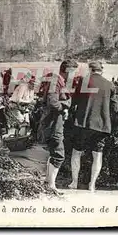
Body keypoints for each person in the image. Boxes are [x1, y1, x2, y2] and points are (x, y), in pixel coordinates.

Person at [68, 62, 118, 191]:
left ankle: (74, 182)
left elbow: (74, 101)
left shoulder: (84, 81)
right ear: (101, 71)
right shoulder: (109, 84)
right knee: (97, 155)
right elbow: (115, 107)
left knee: (76, 152)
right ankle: (92, 185)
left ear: (90, 69)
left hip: (83, 123)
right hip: (102, 125)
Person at [38, 59, 78, 191]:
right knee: (59, 153)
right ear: (67, 70)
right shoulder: (56, 81)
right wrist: (65, 107)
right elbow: (52, 102)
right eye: (73, 71)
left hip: (52, 120)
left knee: (53, 151)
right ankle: (51, 185)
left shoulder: (55, 80)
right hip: (53, 121)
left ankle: (48, 182)